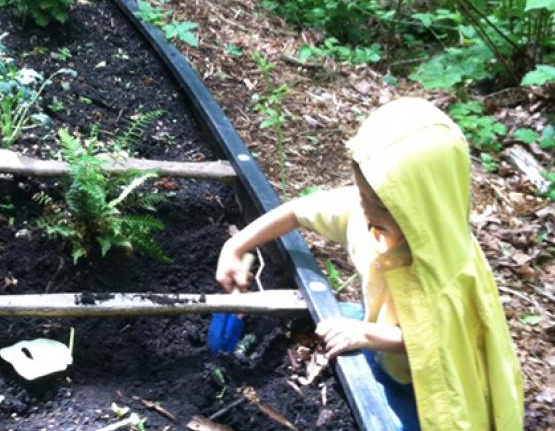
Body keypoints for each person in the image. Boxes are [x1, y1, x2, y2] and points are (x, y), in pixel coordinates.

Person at [215, 98, 524, 430]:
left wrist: (366, 334)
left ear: (426, 204)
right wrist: (237, 244)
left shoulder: (452, 268)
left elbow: (441, 340)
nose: (369, 211)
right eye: (364, 196)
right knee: (309, 321)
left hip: (424, 385)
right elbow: (296, 212)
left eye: (384, 205)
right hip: (379, 344)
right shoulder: (365, 215)